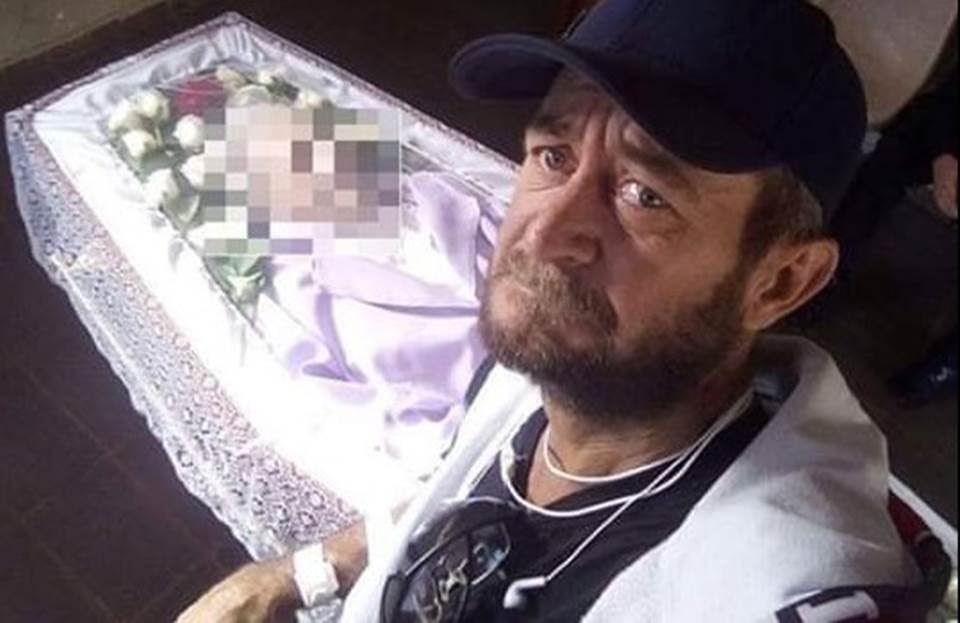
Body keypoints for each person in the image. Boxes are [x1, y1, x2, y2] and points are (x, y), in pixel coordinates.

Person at [177, 0, 941, 621]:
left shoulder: (776, 580)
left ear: (781, 282)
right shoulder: (576, 364)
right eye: (554, 155)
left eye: (644, 195)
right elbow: (461, 491)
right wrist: (302, 572)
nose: (543, 235)